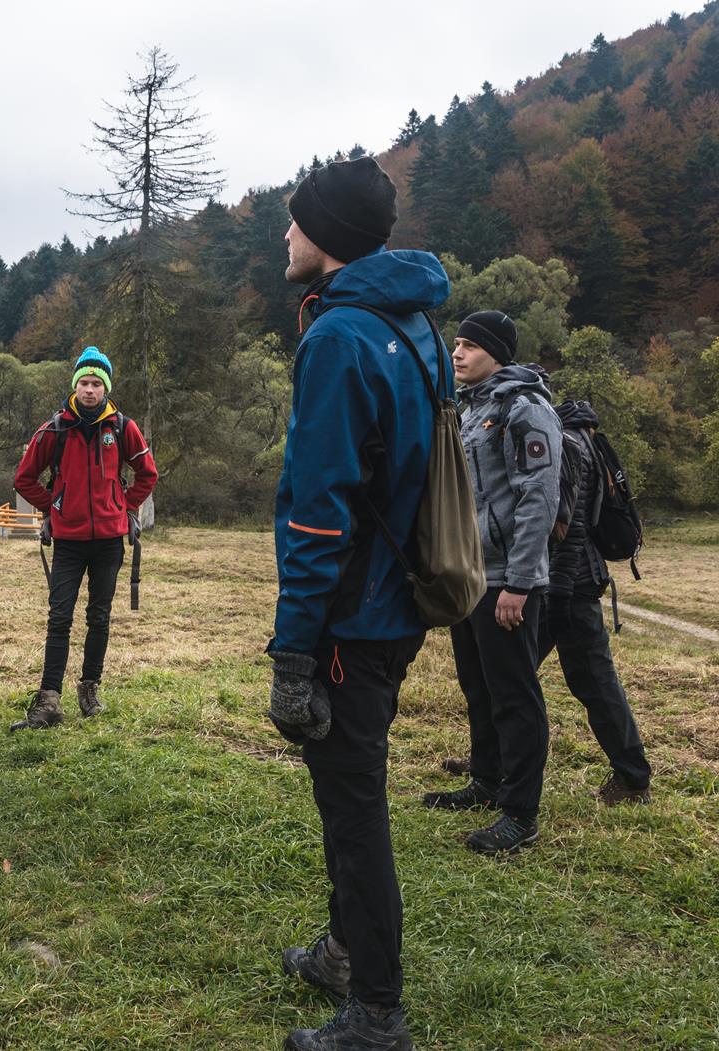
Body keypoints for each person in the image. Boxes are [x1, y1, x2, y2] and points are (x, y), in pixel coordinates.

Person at [270, 155, 450, 1051]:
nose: (286, 234)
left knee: (353, 803)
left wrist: (295, 650)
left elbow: (319, 509)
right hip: (399, 599)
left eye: (298, 221)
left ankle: (376, 1009)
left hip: (352, 614)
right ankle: (345, 948)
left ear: (331, 238)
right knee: (352, 786)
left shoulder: (341, 338)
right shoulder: (412, 322)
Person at [442, 399, 654, 803]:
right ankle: (490, 764)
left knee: (590, 681)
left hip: (567, 586)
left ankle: (633, 777)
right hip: (548, 581)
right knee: (500, 678)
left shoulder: (565, 441)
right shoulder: (566, 432)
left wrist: (557, 593)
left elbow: (569, 529)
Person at [421, 311, 559, 856]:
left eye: (469, 345)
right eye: (454, 344)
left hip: (509, 579)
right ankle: (486, 779)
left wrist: (521, 582)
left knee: (515, 695)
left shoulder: (524, 408)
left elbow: (538, 498)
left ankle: (520, 813)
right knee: (477, 686)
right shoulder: (469, 407)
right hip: (472, 575)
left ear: (497, 352)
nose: (457, 353)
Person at [10, 346, 156, 730]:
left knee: (99, 617)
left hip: (109, 540)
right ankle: (48, 701)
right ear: (75, 386)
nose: (89, 390)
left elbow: (148, 473)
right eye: (84, 383)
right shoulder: (54, 429)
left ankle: (90, 690)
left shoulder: (123, 427)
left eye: (96, 384)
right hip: (69, 542)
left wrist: (124, 505)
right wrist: (52, 505)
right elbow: (24, 479)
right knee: (59, 618)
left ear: (105, 388)